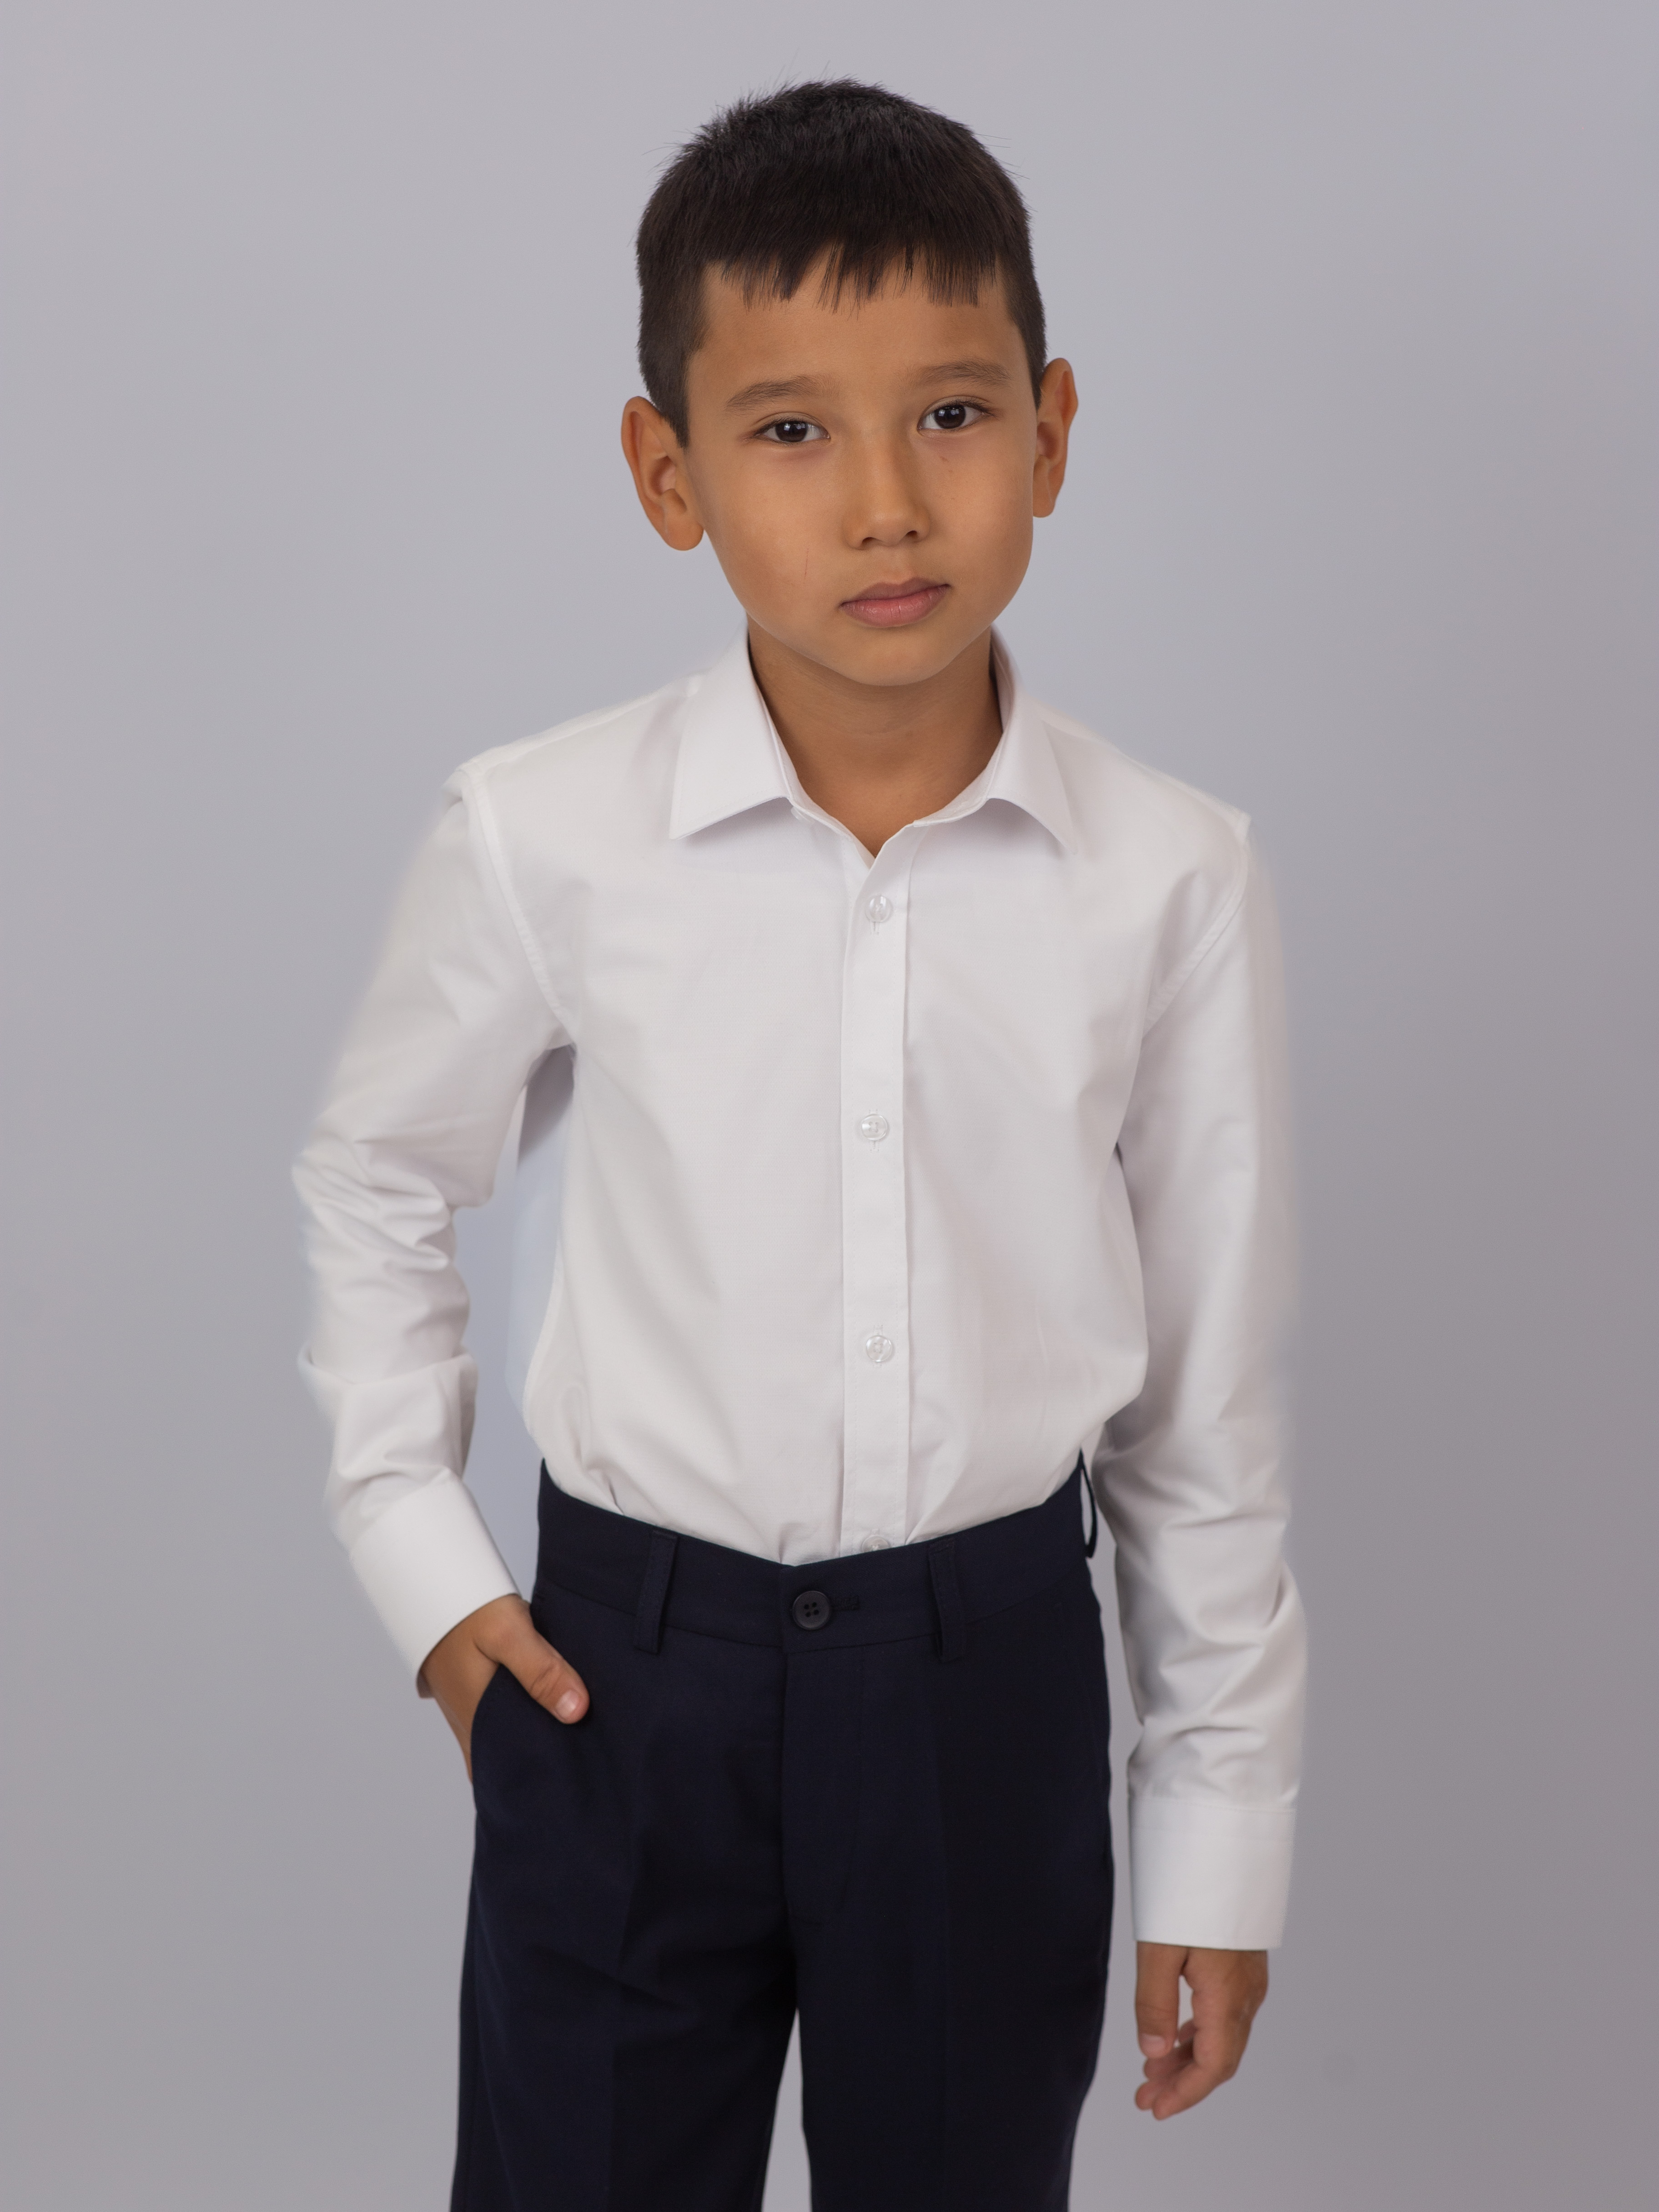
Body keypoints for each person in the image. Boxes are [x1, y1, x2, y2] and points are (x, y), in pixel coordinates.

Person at [296, 78, 1306, 2212]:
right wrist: (432, 1577)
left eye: (950, 413)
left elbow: (1204, 1404)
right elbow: (379, 1173)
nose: (885, 504)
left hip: (985, 1689)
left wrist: (1219, 1832)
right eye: (787, 430)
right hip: (624, 1683)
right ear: (667, 472)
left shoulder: (1170, 876)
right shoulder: (546, 834)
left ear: (1051, 429)